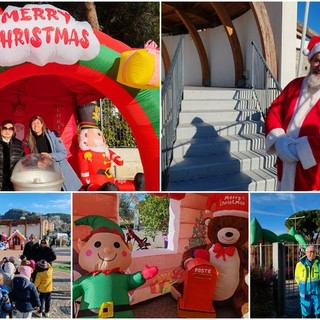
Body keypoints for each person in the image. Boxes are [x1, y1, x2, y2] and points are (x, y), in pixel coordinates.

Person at [265, 36, 320, 191]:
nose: (319, 66)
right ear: (310, 61)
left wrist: (300, 149)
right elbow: (274, 111)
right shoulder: (294, 85)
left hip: (313, 172)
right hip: (286, 166)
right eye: (317, 60)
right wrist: (279, 140)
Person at [26, 115, 82, 191]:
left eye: (38, 123)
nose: (36, 126)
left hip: (59, 171)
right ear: (31, 127)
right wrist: (37, 163)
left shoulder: (53, 135)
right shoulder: (30, 141)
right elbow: (32, 158)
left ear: (42, 124)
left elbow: (63, 153)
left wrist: (50, 156)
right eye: (33, 124)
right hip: (45, 175)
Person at [295, 245, 320, 318]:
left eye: (313, 251)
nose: (311, 253)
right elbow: (297, 277)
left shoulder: (319, 263)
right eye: (309, 252)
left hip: (317, 292)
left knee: (318, 311)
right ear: (306, 253)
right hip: (305, 292)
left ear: (316, 253)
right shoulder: (299, 264)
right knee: (305, 312)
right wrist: (301, 286)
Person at [0, 120, 25, 190]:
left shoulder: (19, 144)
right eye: (5, 128)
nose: (7, 131)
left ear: (13, 131)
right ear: (1, 130)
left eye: (10, 129)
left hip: (13, 182)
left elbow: (22, 162)